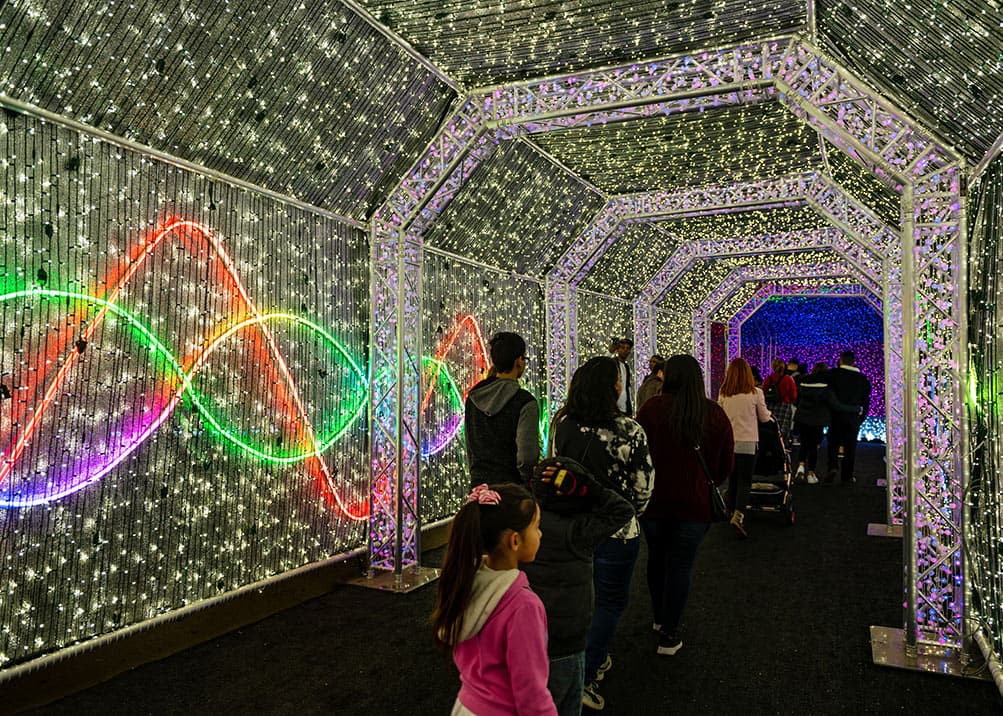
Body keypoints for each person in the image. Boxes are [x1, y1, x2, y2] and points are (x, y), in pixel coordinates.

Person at [550, 357, 654, 710]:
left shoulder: (562, 423)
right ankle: (588, 672)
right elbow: (643, 488)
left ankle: (578, 663)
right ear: (614, 388)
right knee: (609, 603)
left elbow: (555, 473)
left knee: (576, 600)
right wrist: (627, 514)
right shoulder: (629, 430)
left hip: (571, 528)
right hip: (616, 531)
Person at [636, 355, 734, 656]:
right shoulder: (713, 414)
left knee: (656, 559)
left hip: (654, 503)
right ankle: (669, 632)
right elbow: (723, 466)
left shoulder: (651, 409)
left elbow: (639, 455)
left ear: (667, 377)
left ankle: (657, 617)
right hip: (694, 506)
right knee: (681, 566)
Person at [432, 483, 557, 716]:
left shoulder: (467, 582)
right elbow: (532, 694)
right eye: (536, 527)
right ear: (515, 541)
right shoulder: (524, 607)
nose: (540, 534)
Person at [522, 458, 634, 716]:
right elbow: (623, 510)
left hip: (529, 635)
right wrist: (591, 487)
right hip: (567, 641)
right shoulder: (579, 531)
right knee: (565, 702)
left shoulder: (523, 524)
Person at [465, 332, 541, 485]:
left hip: (480, 490)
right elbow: (527, 458)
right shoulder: (525, 402)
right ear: (519, 361)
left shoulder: (473, 397)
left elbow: (470, 450)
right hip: (513, 493)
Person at [717, 357, 772, 537]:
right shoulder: (756, 393)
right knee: (745, 481)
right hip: (748, 443)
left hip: (728, 443)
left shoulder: (724, 393)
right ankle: (739, 515)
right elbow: (764, 418)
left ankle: (729, 509)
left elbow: (720, 418)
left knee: (732, 479)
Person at [794, 362, 857, 484]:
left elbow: (796, 401)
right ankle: (811, 473)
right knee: (813, 446)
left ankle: (800, 468)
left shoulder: (803, 381)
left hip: (802, 417)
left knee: (804, 443)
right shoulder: (826, 387)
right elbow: (836, 406)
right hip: (818, 420)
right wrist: (854, 409)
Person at [823, 351, 871, 484]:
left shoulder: (832, 375)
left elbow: (826, 395)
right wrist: (861, 417)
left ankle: (832, 467)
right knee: (850, 447)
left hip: (835, 415)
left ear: (840, 360)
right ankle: (847, 476)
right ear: (854, 361)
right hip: (853, 417)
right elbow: (865, 400)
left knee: (833, 443)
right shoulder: (863, 379)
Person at [761, 358, 797, 441]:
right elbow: (794, 395)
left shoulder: (769, 378)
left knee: (770, 428)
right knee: (782, 430)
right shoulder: (788, 379)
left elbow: (763, 392)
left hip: (770, 406)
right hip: (784, 406)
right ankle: (782, 448)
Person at [611, 338, 634, 415]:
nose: (625, 350)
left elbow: (627, 388)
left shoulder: (627, 367)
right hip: (614, 406)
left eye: (628, 348)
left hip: (625, 407)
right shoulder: (613, 364)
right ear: (617, 349)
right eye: (623, 348)